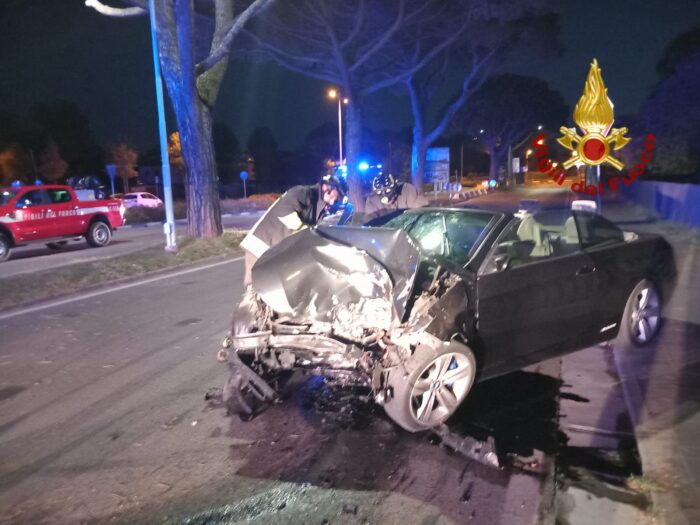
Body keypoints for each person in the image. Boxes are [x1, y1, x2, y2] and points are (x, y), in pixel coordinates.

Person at [240, 174, 346, 290]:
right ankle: (248, 307)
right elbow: (284, 212)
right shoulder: (303, 193)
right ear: (326, 187)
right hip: (261, 245)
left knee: (273, 290)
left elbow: (316, 229)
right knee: (254, 289)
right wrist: (306, 231)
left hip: (276, 251)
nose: (337, 199)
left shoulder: (320, 206)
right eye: (338, 194)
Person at [363, 173, 428, 222]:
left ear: (395, 187)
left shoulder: (408, 190)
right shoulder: (372, 200)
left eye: (388, 191)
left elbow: (422, 212)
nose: (385, 196)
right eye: (380, 192)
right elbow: (370, 222)